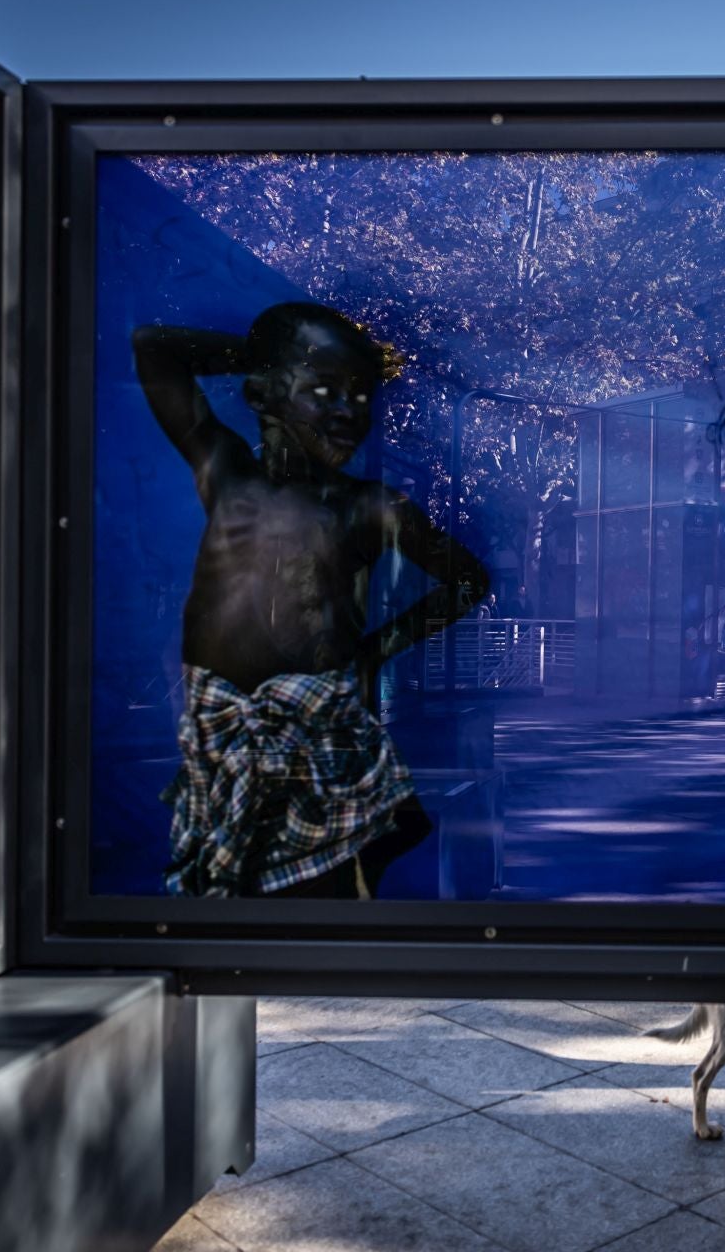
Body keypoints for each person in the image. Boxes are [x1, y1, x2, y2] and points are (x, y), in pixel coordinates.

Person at [132, 302, 488, 899]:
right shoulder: (227, 472)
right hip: (223, 741)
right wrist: (270, 353)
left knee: (335, 885)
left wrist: (377, 650)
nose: (349, 410)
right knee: (229, 887)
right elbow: (152, 344)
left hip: (325, 744)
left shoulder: (371, 506)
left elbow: (469, 580)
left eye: (362, 395)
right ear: (263, 393)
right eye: (325, 389)